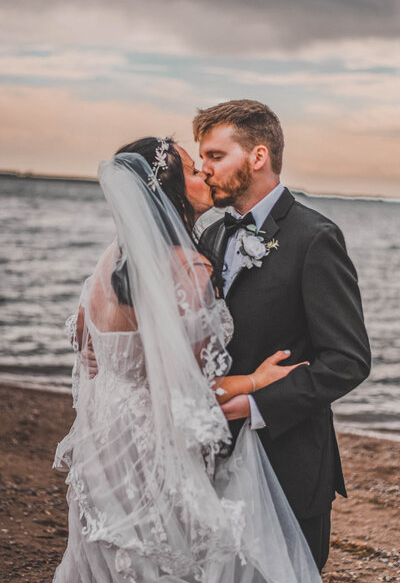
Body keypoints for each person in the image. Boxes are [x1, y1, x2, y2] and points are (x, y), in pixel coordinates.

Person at [53, 137, 322, 582]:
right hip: (155, 449)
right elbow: (192, 397)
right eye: (196, 171)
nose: (207, 175)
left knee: (111, 560)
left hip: (106, 446)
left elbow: (83, 337)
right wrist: (255, 380)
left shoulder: (111, 260)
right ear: (169, 191)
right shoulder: (187, 269)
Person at [195, 99, 372, 572]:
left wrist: (256, 405)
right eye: (202, 157)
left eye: (215, 156)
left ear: (257, 157)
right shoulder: (211, 235)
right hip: (211, 453)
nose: (204, 168)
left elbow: (349, 359)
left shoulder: (315, 238)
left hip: (288, 458)